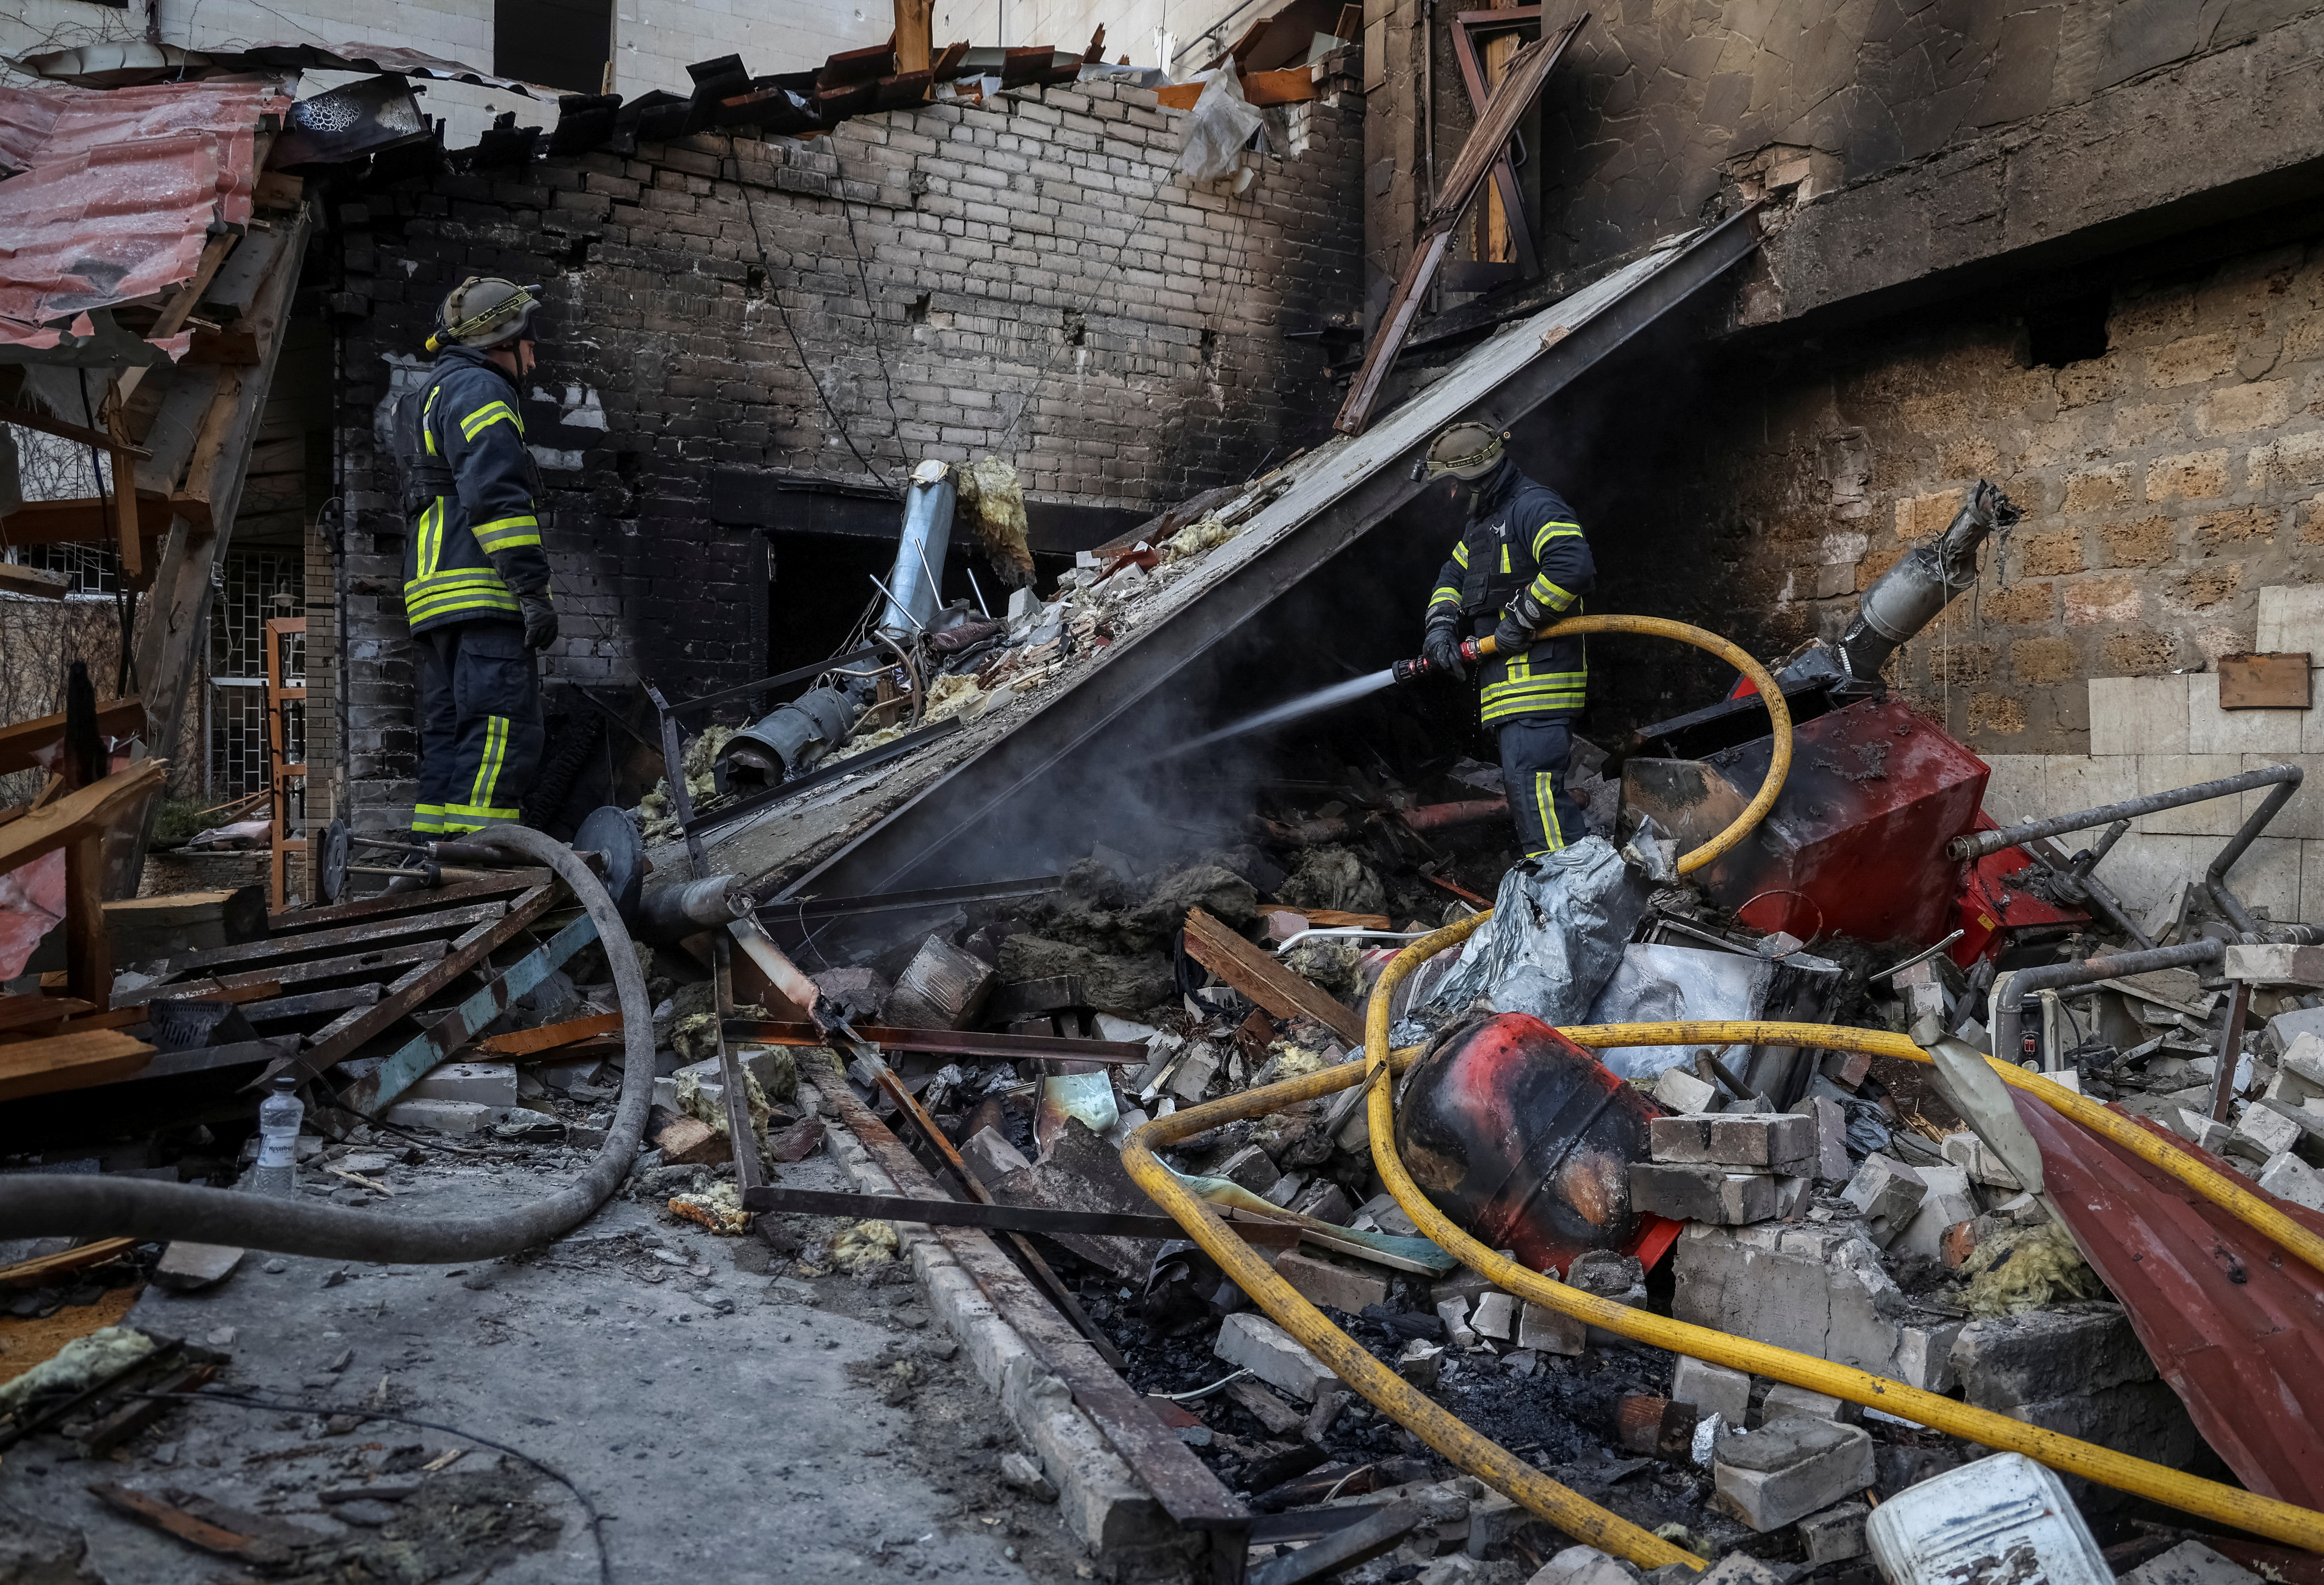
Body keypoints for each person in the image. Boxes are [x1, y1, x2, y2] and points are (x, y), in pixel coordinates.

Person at [391, 277, 558, 836]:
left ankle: (431, 858)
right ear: (503, 339)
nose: (532, 364)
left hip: (432, 598)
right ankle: (478, 859)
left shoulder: (422, 398)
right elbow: (497, 496)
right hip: (481, 592)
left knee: (448, 734)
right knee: (501, 730)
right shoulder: (482, 392)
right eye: (530, 347)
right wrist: (532, 590)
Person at [1418, 421, 1596, 859]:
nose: (1451, 497)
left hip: (1538, 688)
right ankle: (1559, 899)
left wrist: (1519, 620)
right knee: (1529, 802)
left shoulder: (1532, 507)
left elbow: (1571, 565)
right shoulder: (1485, 525)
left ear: (1474, 478)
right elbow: (1451, 577)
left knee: (1539, 803)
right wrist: (1440, 626)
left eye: (1453, 486)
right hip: (1511, 696)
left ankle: (1574, 904)